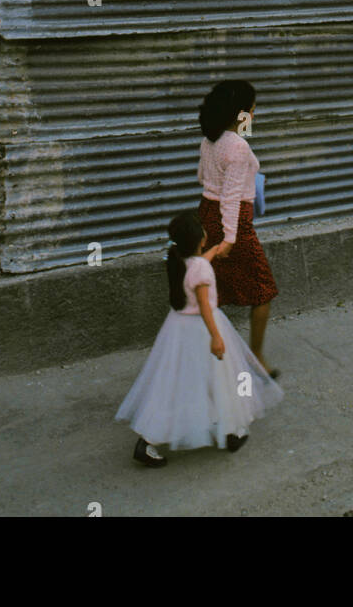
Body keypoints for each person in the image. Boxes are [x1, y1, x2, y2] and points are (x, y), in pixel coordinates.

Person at [115, 208, 283, 467]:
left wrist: (215, 252)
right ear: (200, 238)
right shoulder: (201, 270)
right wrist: (216, 336)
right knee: (222, 377)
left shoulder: (178, 261)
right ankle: (231, 430)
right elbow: (205, 304)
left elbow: (199, 265)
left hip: (178, 329)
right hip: (202, 329)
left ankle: (148, 441)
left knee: (177, 384)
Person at [197, 80, 280, 377]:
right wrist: (230, 238)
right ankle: (254, 356)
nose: (255, 116)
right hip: (232, 222)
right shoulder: (238, 147)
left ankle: (213, 357)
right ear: (242, 113)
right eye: (252, 111)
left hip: (206, 214)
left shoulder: (210, 140)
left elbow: (201, 177)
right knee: (263, 289)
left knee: (210, 289)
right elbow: (231, 198)